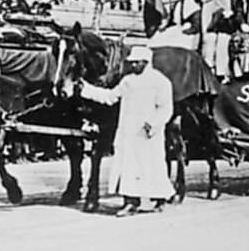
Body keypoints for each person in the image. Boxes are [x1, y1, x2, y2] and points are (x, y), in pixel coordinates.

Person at [74, 46, 176, 216]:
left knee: (151, 166)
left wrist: (153, 124)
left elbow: (166, 109)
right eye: (132, 62)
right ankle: (130, 202)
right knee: (129, 167)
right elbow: (110, 97)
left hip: (148, 134)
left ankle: (160, 198)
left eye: (137, 62)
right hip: (128, 133)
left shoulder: (160, 82)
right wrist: (86, 89)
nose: (133, 65)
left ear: (146, 62)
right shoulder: (128, 81)